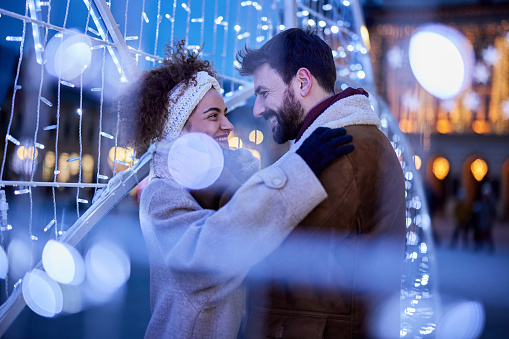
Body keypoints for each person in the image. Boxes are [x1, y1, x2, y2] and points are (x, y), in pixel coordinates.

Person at [117, 41, 355, 338]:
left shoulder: (223, 180)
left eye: (225, 114)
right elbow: (213, 253)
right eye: (214, 115)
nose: (228, 125)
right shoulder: (160, 196)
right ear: (180, 130)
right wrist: (299, 171)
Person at [236, 28, 406, 338]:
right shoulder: (345, 140)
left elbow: (259, 244)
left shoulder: (342, 149)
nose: (257, 109)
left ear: (302, 81)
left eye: (263, 92)